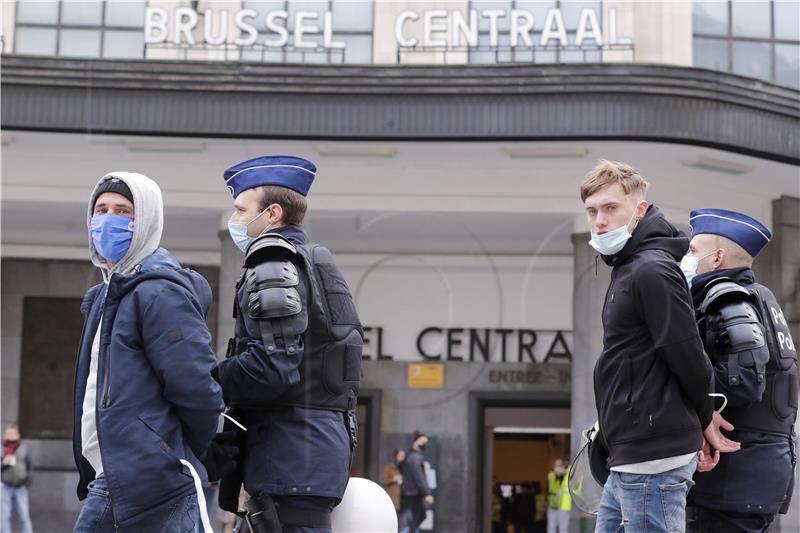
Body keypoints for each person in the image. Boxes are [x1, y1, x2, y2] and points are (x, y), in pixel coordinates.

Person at [578, 160, 740, 533]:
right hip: (631, 452)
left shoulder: (651, 269)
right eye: (592, 210)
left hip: (652, 453)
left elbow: (686, 351)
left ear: (640, 210)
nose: (599, 220)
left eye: (610, 208)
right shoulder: (629, 267)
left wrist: (704, 417)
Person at [212, 155, 362, 532]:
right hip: (307, 460)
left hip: (289, 460)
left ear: (273, 213)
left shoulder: (273, 261)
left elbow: (271, 368)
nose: (236, 219)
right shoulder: (315, 261)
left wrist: (205, 377)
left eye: (241, 209)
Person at [73, 173, 225, 532]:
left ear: (146, 222)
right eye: (101, 209)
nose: (108, 219)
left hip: (145, 476)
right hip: (114, 471)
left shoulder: (157, 294)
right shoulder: (107, 294)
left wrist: (171, 452)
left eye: (123, 211)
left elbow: (198, 389)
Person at [682, 209, 797, 533]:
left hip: (732, 479)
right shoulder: (760, 299)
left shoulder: (728, 299)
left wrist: (687, 392)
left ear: (717, 258)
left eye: (692, 251)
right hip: (752, 475)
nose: (686, 258)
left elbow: (742, 382)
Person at [399, 431, 433, 533]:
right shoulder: (415, 458)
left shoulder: (411, 456)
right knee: (414, 520)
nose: (424, 444)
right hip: (413, 494)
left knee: (416, 518)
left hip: (411, 493)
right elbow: (419, 477)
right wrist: (427, 493)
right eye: (422, 442)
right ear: (416, 442)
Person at [2, 425, 33, 533]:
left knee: (24, 517)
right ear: (5, 435)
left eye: (13, 433)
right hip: (5, 487)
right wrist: (3, 463)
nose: (11, 436)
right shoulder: (1, 447)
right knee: (4, 518)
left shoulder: (24, 447)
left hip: (21, 487)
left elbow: (30, 466)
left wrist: (28, 483)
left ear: (17, 435)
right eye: (8, 433)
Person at [546, 459, 570, 533]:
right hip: (552, 506)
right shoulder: (552, 476)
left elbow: (571, 469)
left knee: (563, 529)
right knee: (551, 528)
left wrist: (565, 471)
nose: (558, 468)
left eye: (559, 465)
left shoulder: (568, 475)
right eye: (556, 466)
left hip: (564, 507)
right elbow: (550, 477)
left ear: (563, 466)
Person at [380, 449, 405, 514]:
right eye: (400, 455)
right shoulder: (390, 468)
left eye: (403, 455)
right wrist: (393, 479)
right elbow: (383, 481)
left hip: (406, 498)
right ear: (396, 456)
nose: (402, 457)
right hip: (395, 498)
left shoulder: (407, 467)